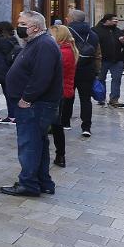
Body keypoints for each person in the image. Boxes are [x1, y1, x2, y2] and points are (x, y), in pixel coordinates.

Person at [0, 11, 62, 198]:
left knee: (29, 144)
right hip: (35, 104)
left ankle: (28, 184)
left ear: (35, 27)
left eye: (22, 24)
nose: (18, 26)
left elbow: (42, 76)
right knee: (37, 143)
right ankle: (43, 181)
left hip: (35, 105)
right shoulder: (35, 43)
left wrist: (27, 98)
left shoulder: (44, 44)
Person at [65, 9, 101, 139]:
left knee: (68, 96)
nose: (66, 18)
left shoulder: (66, 32)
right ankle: (86, 127)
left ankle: (65, 122)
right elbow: (98, 54)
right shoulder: (93, 34)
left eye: (68, 17)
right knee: (86, 99)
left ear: (72, 19)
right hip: (88, 70)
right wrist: (97, 71)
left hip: (70, 69)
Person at [47, 24, 78, 169]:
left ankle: (60, 155)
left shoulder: (63, 52)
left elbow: (52, 72)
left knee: (56, 124)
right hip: (62, 90)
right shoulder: (67, 49)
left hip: (58, 91)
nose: (49, 37)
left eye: (51, 35)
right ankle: (60, 155)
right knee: (56, 123)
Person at [94, 14, 124, 108]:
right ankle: (101, 98)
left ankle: (114, 99)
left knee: (117, 79)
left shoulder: (118, 31)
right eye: (114, 20)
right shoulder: (96, 30)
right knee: (101, 79)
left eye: (117, 20)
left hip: (117, 59)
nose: (116, 22)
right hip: (102, 59)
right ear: (107, 21)